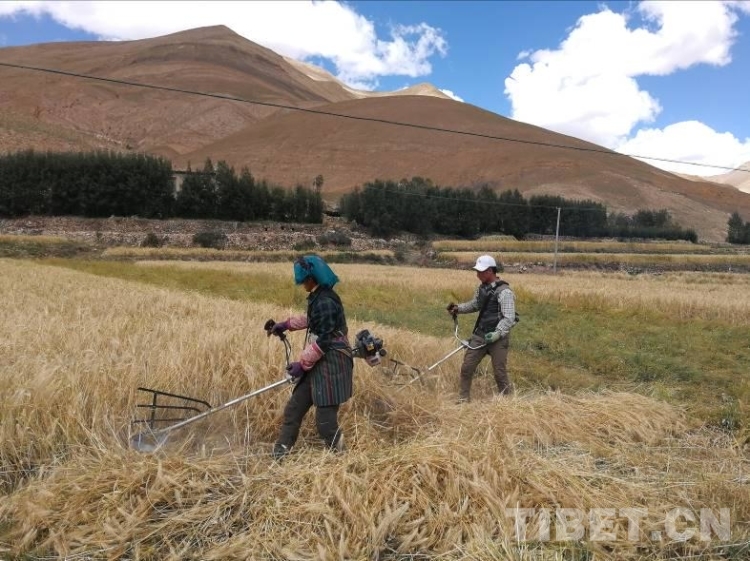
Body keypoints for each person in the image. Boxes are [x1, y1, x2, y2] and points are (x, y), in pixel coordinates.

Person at [268, 255, 353, 460]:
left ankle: (343, 459)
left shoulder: (325, 301)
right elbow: (312, 319)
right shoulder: (320, 296)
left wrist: (302, 364)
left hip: (332, 364)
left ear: (312, 278)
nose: (302, 284)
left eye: (304, 280)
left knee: (325, 422)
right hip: (319, 361)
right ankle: (280, 453)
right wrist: (286, 325)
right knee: (294, 409)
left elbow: (324, 340)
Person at [446, 255, 517, 402]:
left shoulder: (505, 292)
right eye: (477, 271)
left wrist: (497, 333)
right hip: (480, 335)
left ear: (490, 271)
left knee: (499, 373)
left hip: (498, 339)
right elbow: (475, 305)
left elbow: (509, 318)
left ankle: (508, 402)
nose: (477, 274)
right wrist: (458, 309)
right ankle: (463, 399)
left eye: (480, 271)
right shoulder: (482, 288)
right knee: (467, 367)